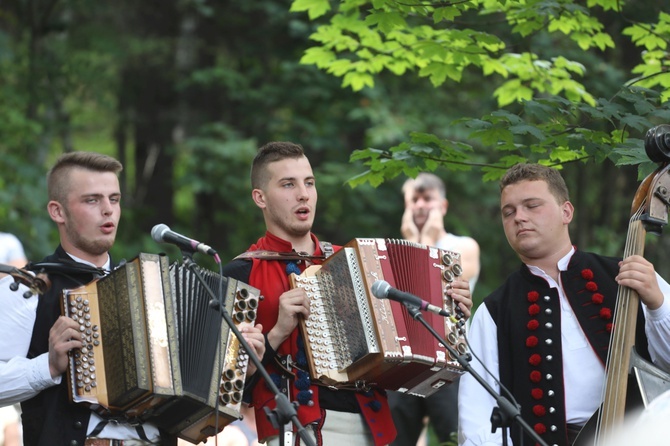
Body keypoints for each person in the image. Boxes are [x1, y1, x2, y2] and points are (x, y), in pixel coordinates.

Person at [0, 151, 264, 446]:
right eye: (92, 200)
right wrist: (47, 366)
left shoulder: (152, 291)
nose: (107, 210)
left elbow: (198, 411)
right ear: (57, 211)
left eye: (114, 199)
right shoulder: (29, 288)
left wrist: (240, 368)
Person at [220, 142, 473, 445]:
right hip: (294, 429)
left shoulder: (353, 262)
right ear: (260, 197)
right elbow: (227, 390)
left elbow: (404, 348)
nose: (303, 194)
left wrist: (448, 310)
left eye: (309, 183)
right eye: (288, 184)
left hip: (372, 428)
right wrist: (278, 331)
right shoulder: (241, 275)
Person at [458, 163, 670, 446]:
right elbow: (476, 413)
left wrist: (657, 305)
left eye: (532, 205)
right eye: (508, 212)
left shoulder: (628, 274)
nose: (519, 217)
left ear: (566, 212)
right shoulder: (494, 311)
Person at [389, 173, 481, 445]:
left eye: (427, 199)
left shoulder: (463, 245)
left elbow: (436, 294)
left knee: (452, 437)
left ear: (443, 206)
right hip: (406, 360)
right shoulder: (396, 251)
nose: (419, 205)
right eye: (413, 200)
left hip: (448, 359)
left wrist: (425, 239)